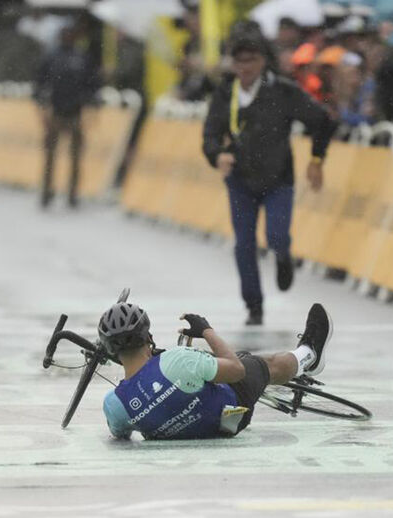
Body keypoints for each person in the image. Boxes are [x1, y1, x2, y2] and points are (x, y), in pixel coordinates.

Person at [202, 33, 336, 326]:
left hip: (278, 180)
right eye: (239, 60)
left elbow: (323, 121)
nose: (245, 67)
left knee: (276, 235)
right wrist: (217, 156)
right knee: (244, 244)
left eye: (251, 60)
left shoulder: (284, 92)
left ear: (263, 61)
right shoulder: (225, 93)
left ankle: (283, 255)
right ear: (232, 63)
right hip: (240, 181)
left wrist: (316, 160)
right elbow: (210, 134)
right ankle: (254, 306)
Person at [101, 300, 332, 440]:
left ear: (111, 352)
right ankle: (309, 355)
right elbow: (237, 370)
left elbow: (121, 433)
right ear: (147, 336)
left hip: (198, 432)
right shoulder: (177, 360)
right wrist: (206, 331)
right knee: (266, 364)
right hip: (232, 411)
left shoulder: (114, 405)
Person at [33, 26, 100, 209]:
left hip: (75, 112)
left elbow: (92, 84)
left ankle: (73, 194)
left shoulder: (82, 57)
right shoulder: (51, 57)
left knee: (76, 157)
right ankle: (47, 192)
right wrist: (41, 107)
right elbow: (39, 83)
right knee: (50, 156)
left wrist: (91, 104)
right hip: (55, 111)